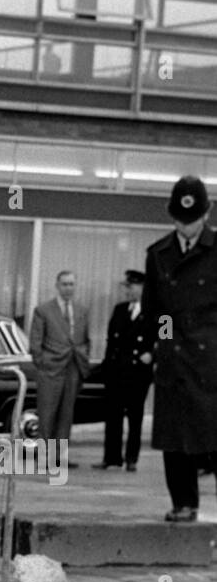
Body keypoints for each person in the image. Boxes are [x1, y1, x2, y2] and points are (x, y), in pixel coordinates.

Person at [141, 175, 217, 522]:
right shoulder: (158, 255)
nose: (187, 228)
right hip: (175, 361)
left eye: (193, 221)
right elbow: (156, 310)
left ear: (207, 214)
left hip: (211, 359)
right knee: (176, 437)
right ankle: (183, 503)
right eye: (180, 222)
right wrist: (167, 341)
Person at [29, 270, 89, 467]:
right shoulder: (43, 310)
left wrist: (83, 359)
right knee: (47, 413)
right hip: (50, 370)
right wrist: (43, 362)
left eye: (72, 284)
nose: (68, 288)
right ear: (57, 285)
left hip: (73, 368)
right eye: (65, 284)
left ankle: (59, 457)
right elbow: (35, 343)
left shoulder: (81, 310)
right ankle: (44, 456)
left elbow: (85, 339)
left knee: (66, 415)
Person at [94, 269, 151, 472]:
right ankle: (112, 458)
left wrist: (153, 355)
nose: (128, 290)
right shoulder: (119, 309)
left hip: (138, 373)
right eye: (127, 287)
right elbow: (112, 341)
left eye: (132, 286)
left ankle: (131, 458)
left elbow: (168, 340)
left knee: (135, 417)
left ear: (143, 287)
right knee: (113, 416)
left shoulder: (160, 312)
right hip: (117, 371)